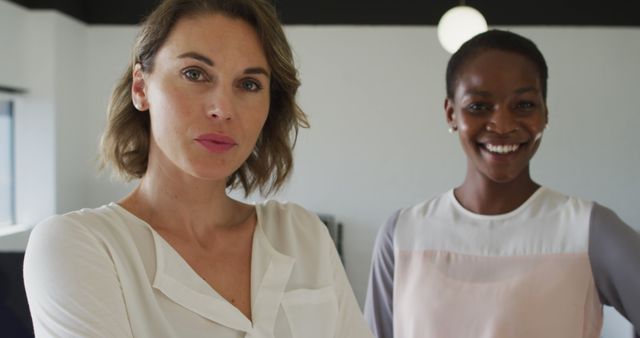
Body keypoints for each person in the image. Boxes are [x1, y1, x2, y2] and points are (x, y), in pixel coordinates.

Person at [23, 1, 372, 337]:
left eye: (249, 84)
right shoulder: (80, 245)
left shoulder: (302, 234)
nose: (222, 108)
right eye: (195, 74)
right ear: (141, 87)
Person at [364, 29, 640, 338]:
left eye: (523, 105)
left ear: (545, 113)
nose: (503, 125)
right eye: (479, 106)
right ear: (451, 113)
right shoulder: (402, 234)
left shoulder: (587, 231)